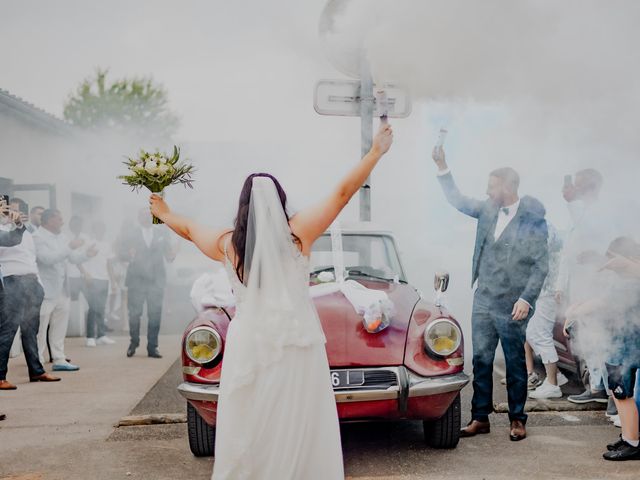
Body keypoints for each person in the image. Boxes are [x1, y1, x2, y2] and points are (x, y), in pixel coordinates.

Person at [150, 123, 393, 479]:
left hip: (249, 342)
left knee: (251, 418)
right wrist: (375, 153)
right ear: (280, 200)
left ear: (243, 204)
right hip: (296, 342)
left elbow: (188, 229)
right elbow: (342, 194)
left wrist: (164, 211)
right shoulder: (299, 233)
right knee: (296, 418)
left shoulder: (227, 243)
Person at [431, 146, 549, 442]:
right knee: (481, 359)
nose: (486, 190)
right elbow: (457, 200)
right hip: (483, 297)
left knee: (514, 363)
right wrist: (442, 166)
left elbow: (540, 265)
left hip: (512, 303)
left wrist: (526, 299)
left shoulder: (533, 219)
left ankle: (518, 419)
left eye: (492, 185)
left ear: (508, 187)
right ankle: (479, 417)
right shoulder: (487, 209)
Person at [566, 238, 640, 460]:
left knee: (622, 395)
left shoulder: (629, 283)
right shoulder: (630, 279)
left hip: (623, 349)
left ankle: (632, 443)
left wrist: (574, 313)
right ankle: (629, 437)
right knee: (621, 395)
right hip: (623, 347)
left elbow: (603, 303)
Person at [557, 169, 615, 404]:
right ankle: (596, 386)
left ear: (591, 186)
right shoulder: (584, 212)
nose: (575, 188)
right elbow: (569, 252)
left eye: (579, 184)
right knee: (588, 339)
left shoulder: (604, 213)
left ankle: (607, 391)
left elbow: (614, 247)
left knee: (599, 339)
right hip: (582, 284)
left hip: (598, 285)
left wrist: (596, 258)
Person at [0, 199, 60, 391]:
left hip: (32, 283)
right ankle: (0, 377)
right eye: (9, 209)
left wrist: (39, 285)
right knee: (7, 331)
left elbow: (31, 259)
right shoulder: (4, 230)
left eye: (16, 211)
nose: (12, 213)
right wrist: (13, 224)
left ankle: (36, 370)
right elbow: (11, 240)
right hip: (12, 282)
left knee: (30, 330)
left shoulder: (26, 232)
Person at [33, 209, 96, 371]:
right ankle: (37, 362)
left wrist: (87, 255)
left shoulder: (62, 237)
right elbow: (47, 259)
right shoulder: (37, 237)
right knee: (40, 329)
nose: (62, 222)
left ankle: (59, 359)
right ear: (48, 221)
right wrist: (69, 247)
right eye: (59, 219)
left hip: (62, 289)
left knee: (59, 327)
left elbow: (73, 258)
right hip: (45, 291)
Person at [118, 209, 176, 358]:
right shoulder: (131, 234)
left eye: (148, 214)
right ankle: (134, 342)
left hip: (156, 282)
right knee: (134, 314)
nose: (145, 217)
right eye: (142, 214)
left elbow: (169, 255)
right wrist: (128, 255)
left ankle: (152, 347)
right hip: (136, 281)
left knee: (155, 315)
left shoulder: (162, 234)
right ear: (138, 217)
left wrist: (171, 255)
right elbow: (121, 254)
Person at [526, 223, 568, 399]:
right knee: (532, 333)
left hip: (547, 291)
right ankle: (556, 375)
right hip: (543, 290)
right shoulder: (546, 229)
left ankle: (553, 384)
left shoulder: (545, 230)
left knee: (539, 334)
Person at [82, 221, 115, 347]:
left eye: (102, 229)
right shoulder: (89, 243)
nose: (100, 231)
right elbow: (80, 259)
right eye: (98, 229)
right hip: (92, 278)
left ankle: (101, 335)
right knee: (93, 308)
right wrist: (85, 274)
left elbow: (109, 264)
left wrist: (113, 282)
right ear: (94, 230)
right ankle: (90, 336)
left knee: (101, 308)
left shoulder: (107, 245)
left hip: (104, 279)